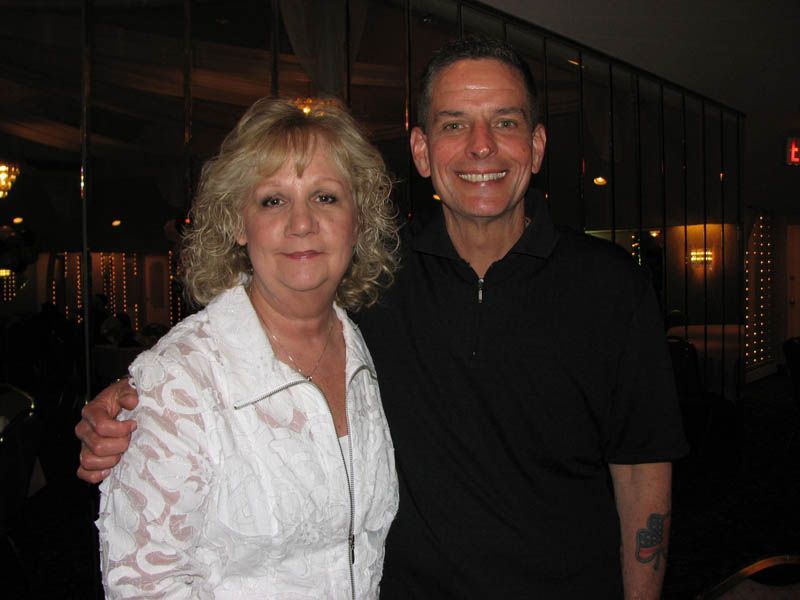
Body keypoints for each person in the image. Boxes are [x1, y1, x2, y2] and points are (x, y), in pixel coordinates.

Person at [77, 36, 687, 598]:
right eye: (455, 124)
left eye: (505, 122)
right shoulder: (377, 290)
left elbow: (641, 473)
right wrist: (140, 400)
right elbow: (254, 328)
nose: (481, 146)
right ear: (422, 151)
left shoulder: (612, 286)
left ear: (537, 144)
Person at [92, 97, 400, 598]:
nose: (302, 223)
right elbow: (143, 586)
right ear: (238, 223)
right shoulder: (183, 381)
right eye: (272, 200)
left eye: (325, 197)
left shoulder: (363, 348)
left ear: (357, 219)